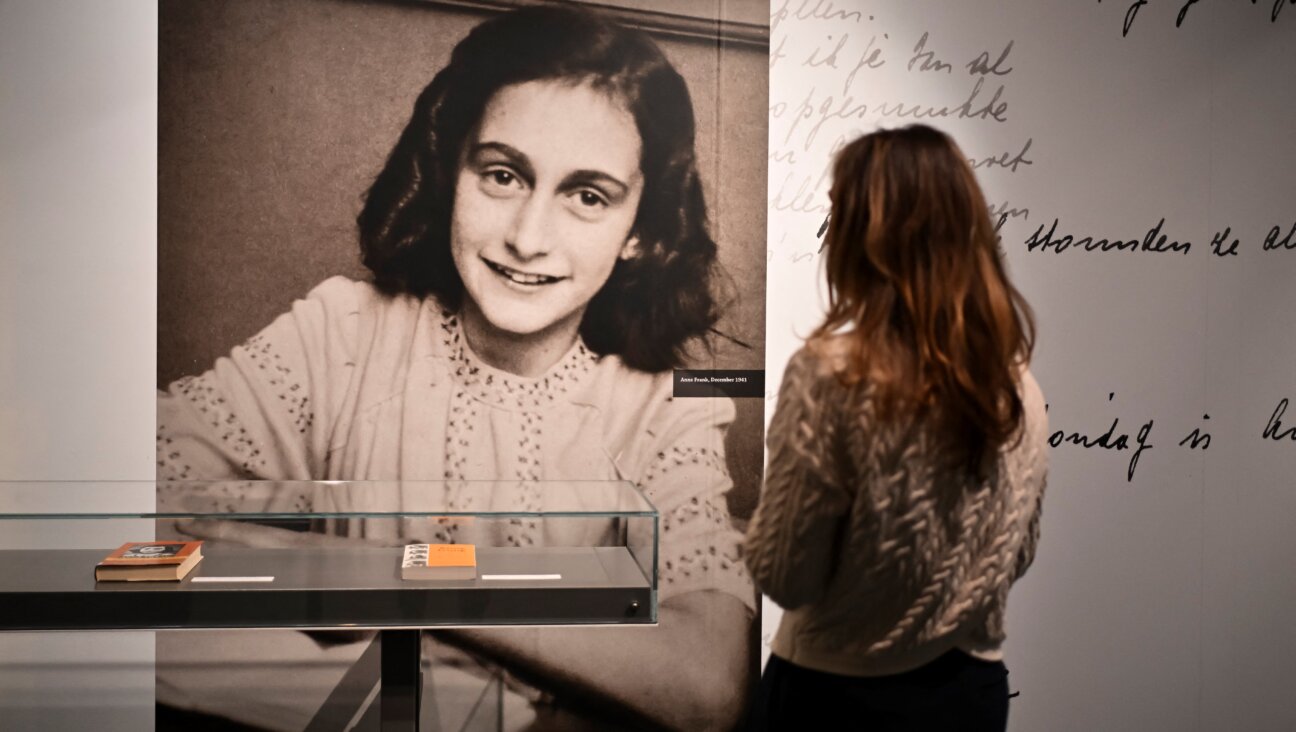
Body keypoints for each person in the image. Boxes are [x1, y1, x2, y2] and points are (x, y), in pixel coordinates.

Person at [156, 6, 754, 731]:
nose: (528, 238)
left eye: (587, 196)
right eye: (502, 175)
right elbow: (131, 508)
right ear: (452, 175)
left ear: (642, 234)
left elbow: (710, 684)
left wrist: (402, 576)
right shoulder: (342, 328)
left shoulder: (664, 406)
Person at [743, 124, 1048, 731]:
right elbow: (1018, 556)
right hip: (970, 696)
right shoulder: (1016, 384)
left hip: (836, 700)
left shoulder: (833, 376)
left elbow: (786, 575)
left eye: (838, 215)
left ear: (868, 236)